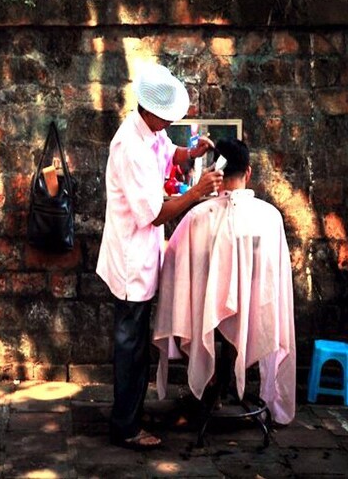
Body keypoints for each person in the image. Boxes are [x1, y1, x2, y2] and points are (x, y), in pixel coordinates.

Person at [96, 63, 224, 449]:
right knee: (131, 345)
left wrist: (190, 152)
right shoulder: (129, 146)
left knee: (136, 341)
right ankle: (126, 427)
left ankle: (130, 413)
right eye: (166, 119)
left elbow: (169, 152)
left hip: (144, 254)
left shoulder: (151, 133)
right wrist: (198, 191)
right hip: (130, 260)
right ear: (150, 112)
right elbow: (154, 214)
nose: (170, 125)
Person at [153, 138, 296, 425]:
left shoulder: (197, 216)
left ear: (217, 170)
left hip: (205, 310)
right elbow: (272, 273)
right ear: (249, 172)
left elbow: (174, 260)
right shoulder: (269, 217)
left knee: (200, 313)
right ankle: (224, 376)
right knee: (240, 315)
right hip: (253, 306)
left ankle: (214, 383)